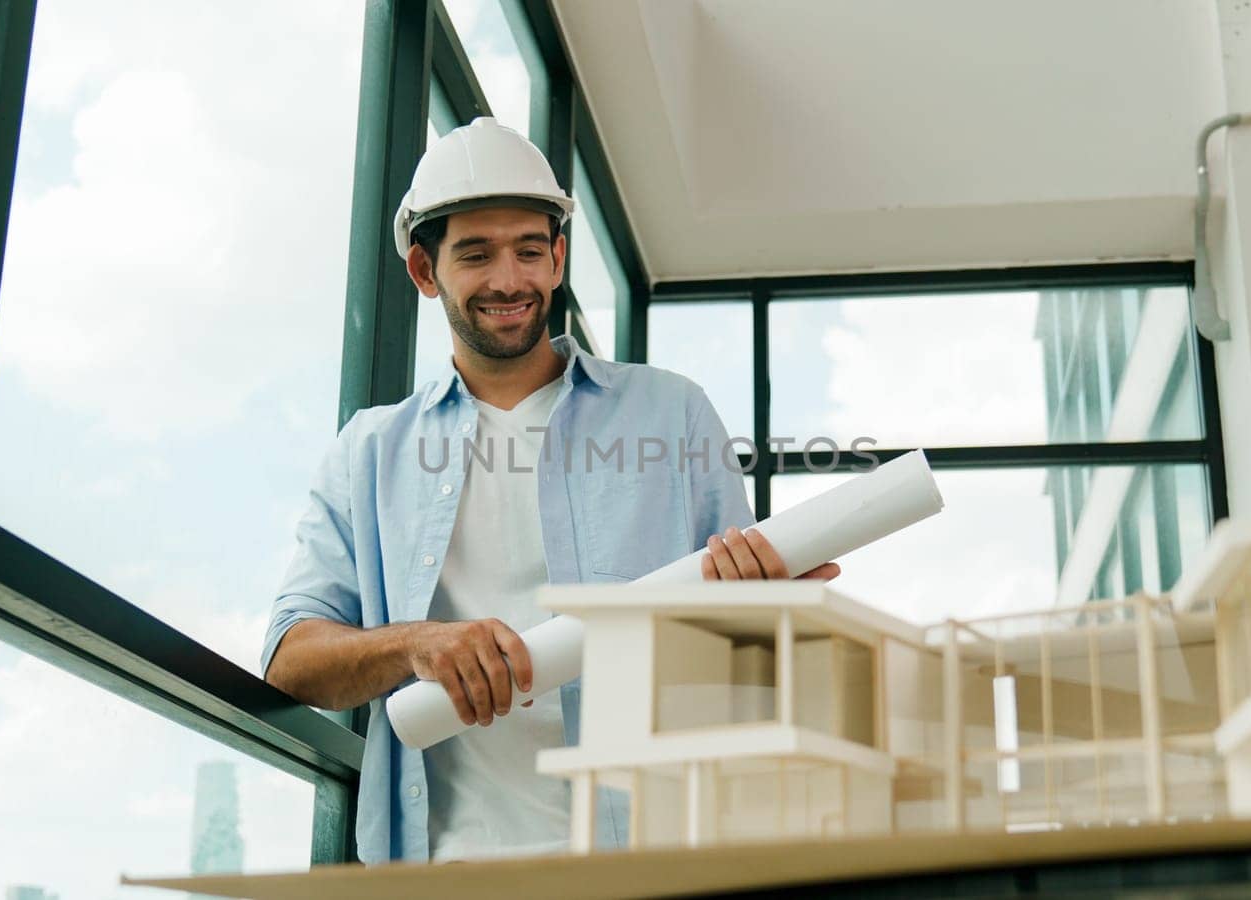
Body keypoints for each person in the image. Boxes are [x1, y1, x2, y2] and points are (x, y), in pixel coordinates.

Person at [260, 117, 839, 864]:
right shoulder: (370, 452)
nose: (509, 280)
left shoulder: (671, 414)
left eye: (530, 251)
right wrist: (419, 646)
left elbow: (749, 657)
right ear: (424, 271)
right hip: (442, 871)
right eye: (476, 254)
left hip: (649, 862)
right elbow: (290, 656)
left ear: (558, 257)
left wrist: (765, 611)